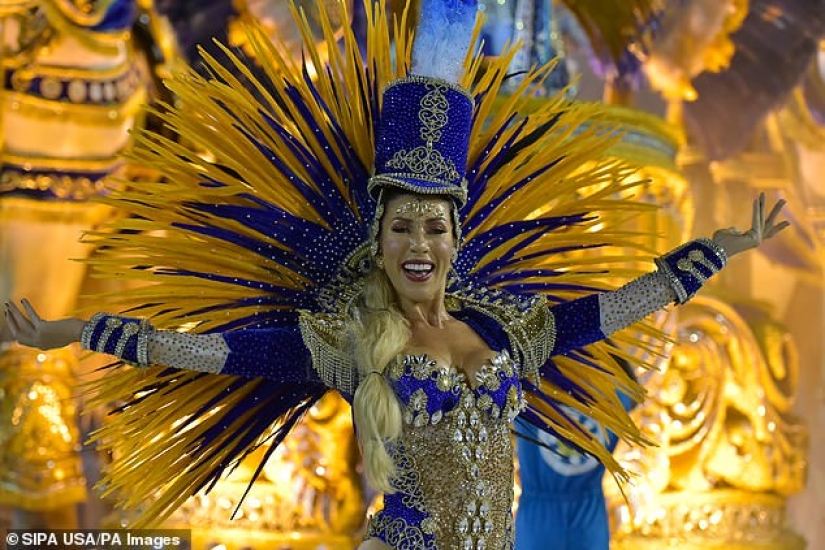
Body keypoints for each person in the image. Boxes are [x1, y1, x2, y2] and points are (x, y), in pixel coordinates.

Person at [3, 1, 789, 548]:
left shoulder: (505, 328)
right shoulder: (343, 340)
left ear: (455, 238)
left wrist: (718, 250)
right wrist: (72, 332)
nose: (419, 243)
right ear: (378, 241)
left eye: (433, 227)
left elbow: (610, 310)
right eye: (402, 227)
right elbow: (208, 353)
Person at [514, 357, 654, 550]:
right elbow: (635, 394)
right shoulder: (616, 394)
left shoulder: (527, 388)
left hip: (539, 514)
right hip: (588, 513)